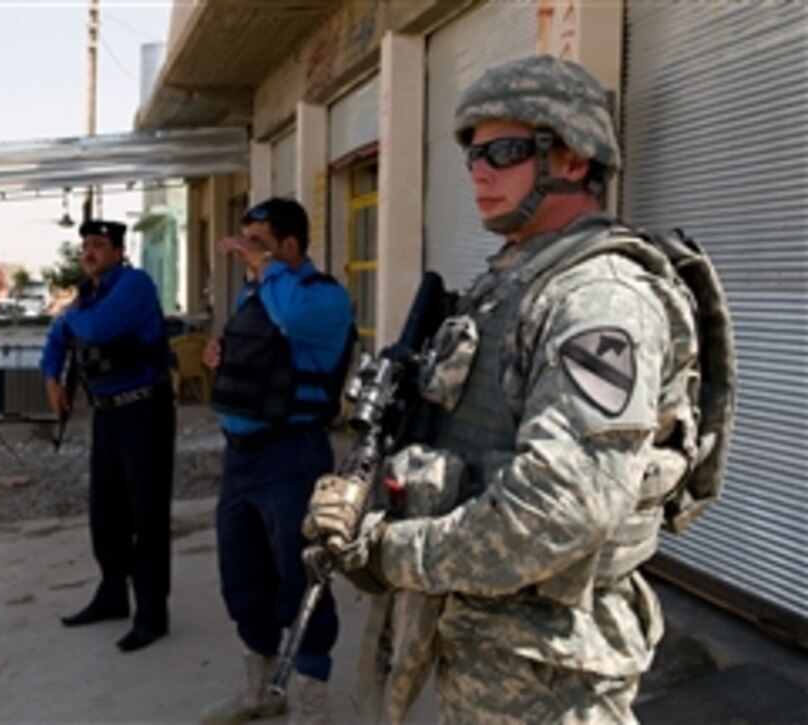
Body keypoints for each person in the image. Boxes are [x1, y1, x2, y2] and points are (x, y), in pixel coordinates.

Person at [305, 55, 711, 722]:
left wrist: (389, 552)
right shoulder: (514, 283)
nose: (479, 172)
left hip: (553, 672)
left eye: (505, 151)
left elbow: (563, 507)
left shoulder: (599, 298)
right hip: (487, 645)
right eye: (472, 155)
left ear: (574, 158)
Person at [201, 197, 355, 724]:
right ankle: (259, 691)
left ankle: (311, 707)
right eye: (245, 244)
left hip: (292, 453)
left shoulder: (322, 297)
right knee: (241, 577)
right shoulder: (256, 292)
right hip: (240, 460)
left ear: (291, 245)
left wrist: (264, 269)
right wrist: (221, 357)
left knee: (302, 578)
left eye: (259, 244)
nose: (248, 255)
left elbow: (290, 319)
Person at [40, 219, 175, 653]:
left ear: (118, 251)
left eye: (98, 245)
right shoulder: (89, 295)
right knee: (106, 513)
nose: (89, 252)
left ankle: (152, 613)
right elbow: (57, 337)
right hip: (108, 416)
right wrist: (51, 378)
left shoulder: (134, 285)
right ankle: (113, 594)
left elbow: (95, 330)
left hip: (144, 411)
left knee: (146, 515)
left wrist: (70, 314)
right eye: (85, 245)